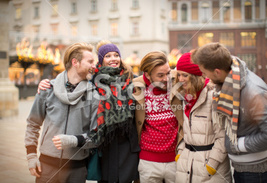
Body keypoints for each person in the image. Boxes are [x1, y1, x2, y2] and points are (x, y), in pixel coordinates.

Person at [37, 40, 140, 183]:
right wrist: (48, 83)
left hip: (127, 144)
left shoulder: (133, 80)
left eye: (116, 55)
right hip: (103, 145)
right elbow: (72, 77)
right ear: (101, 60)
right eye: (108, 56)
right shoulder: (92, 81)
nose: (113, 59)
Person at [192, 42, 267, 183]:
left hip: (257, 171)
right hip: (242, 167)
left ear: (217, 72)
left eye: (205, 73)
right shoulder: (229, 81)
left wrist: (237, 145)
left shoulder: (254, 92)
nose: (204, 76)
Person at [25, 42, 99, 183]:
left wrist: (74, 140)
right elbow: (33, 124)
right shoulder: (47, 89)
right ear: (75, 62)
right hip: (45, 166)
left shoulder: (94, 95)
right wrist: (31, 156)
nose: (94, 66)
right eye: (90, 61)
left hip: (76, 169)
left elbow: (97, 135)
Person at [175, 52, 232, 183]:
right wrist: (181, 152)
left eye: (185, 75)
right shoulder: (185, 96)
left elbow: (223, 135)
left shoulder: (213, 96)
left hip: (211, 170)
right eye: (179, 74)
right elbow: (185, 130)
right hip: (186, 164)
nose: (180, 79)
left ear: (196, 76)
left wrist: (212, 164)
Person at [132, 51, 184, 183]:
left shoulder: (177, 80)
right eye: (160, 75)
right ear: (147, 74)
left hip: (176, 159)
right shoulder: (135, 87)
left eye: (168, 73)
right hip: (148, 162)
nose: (166, 78)